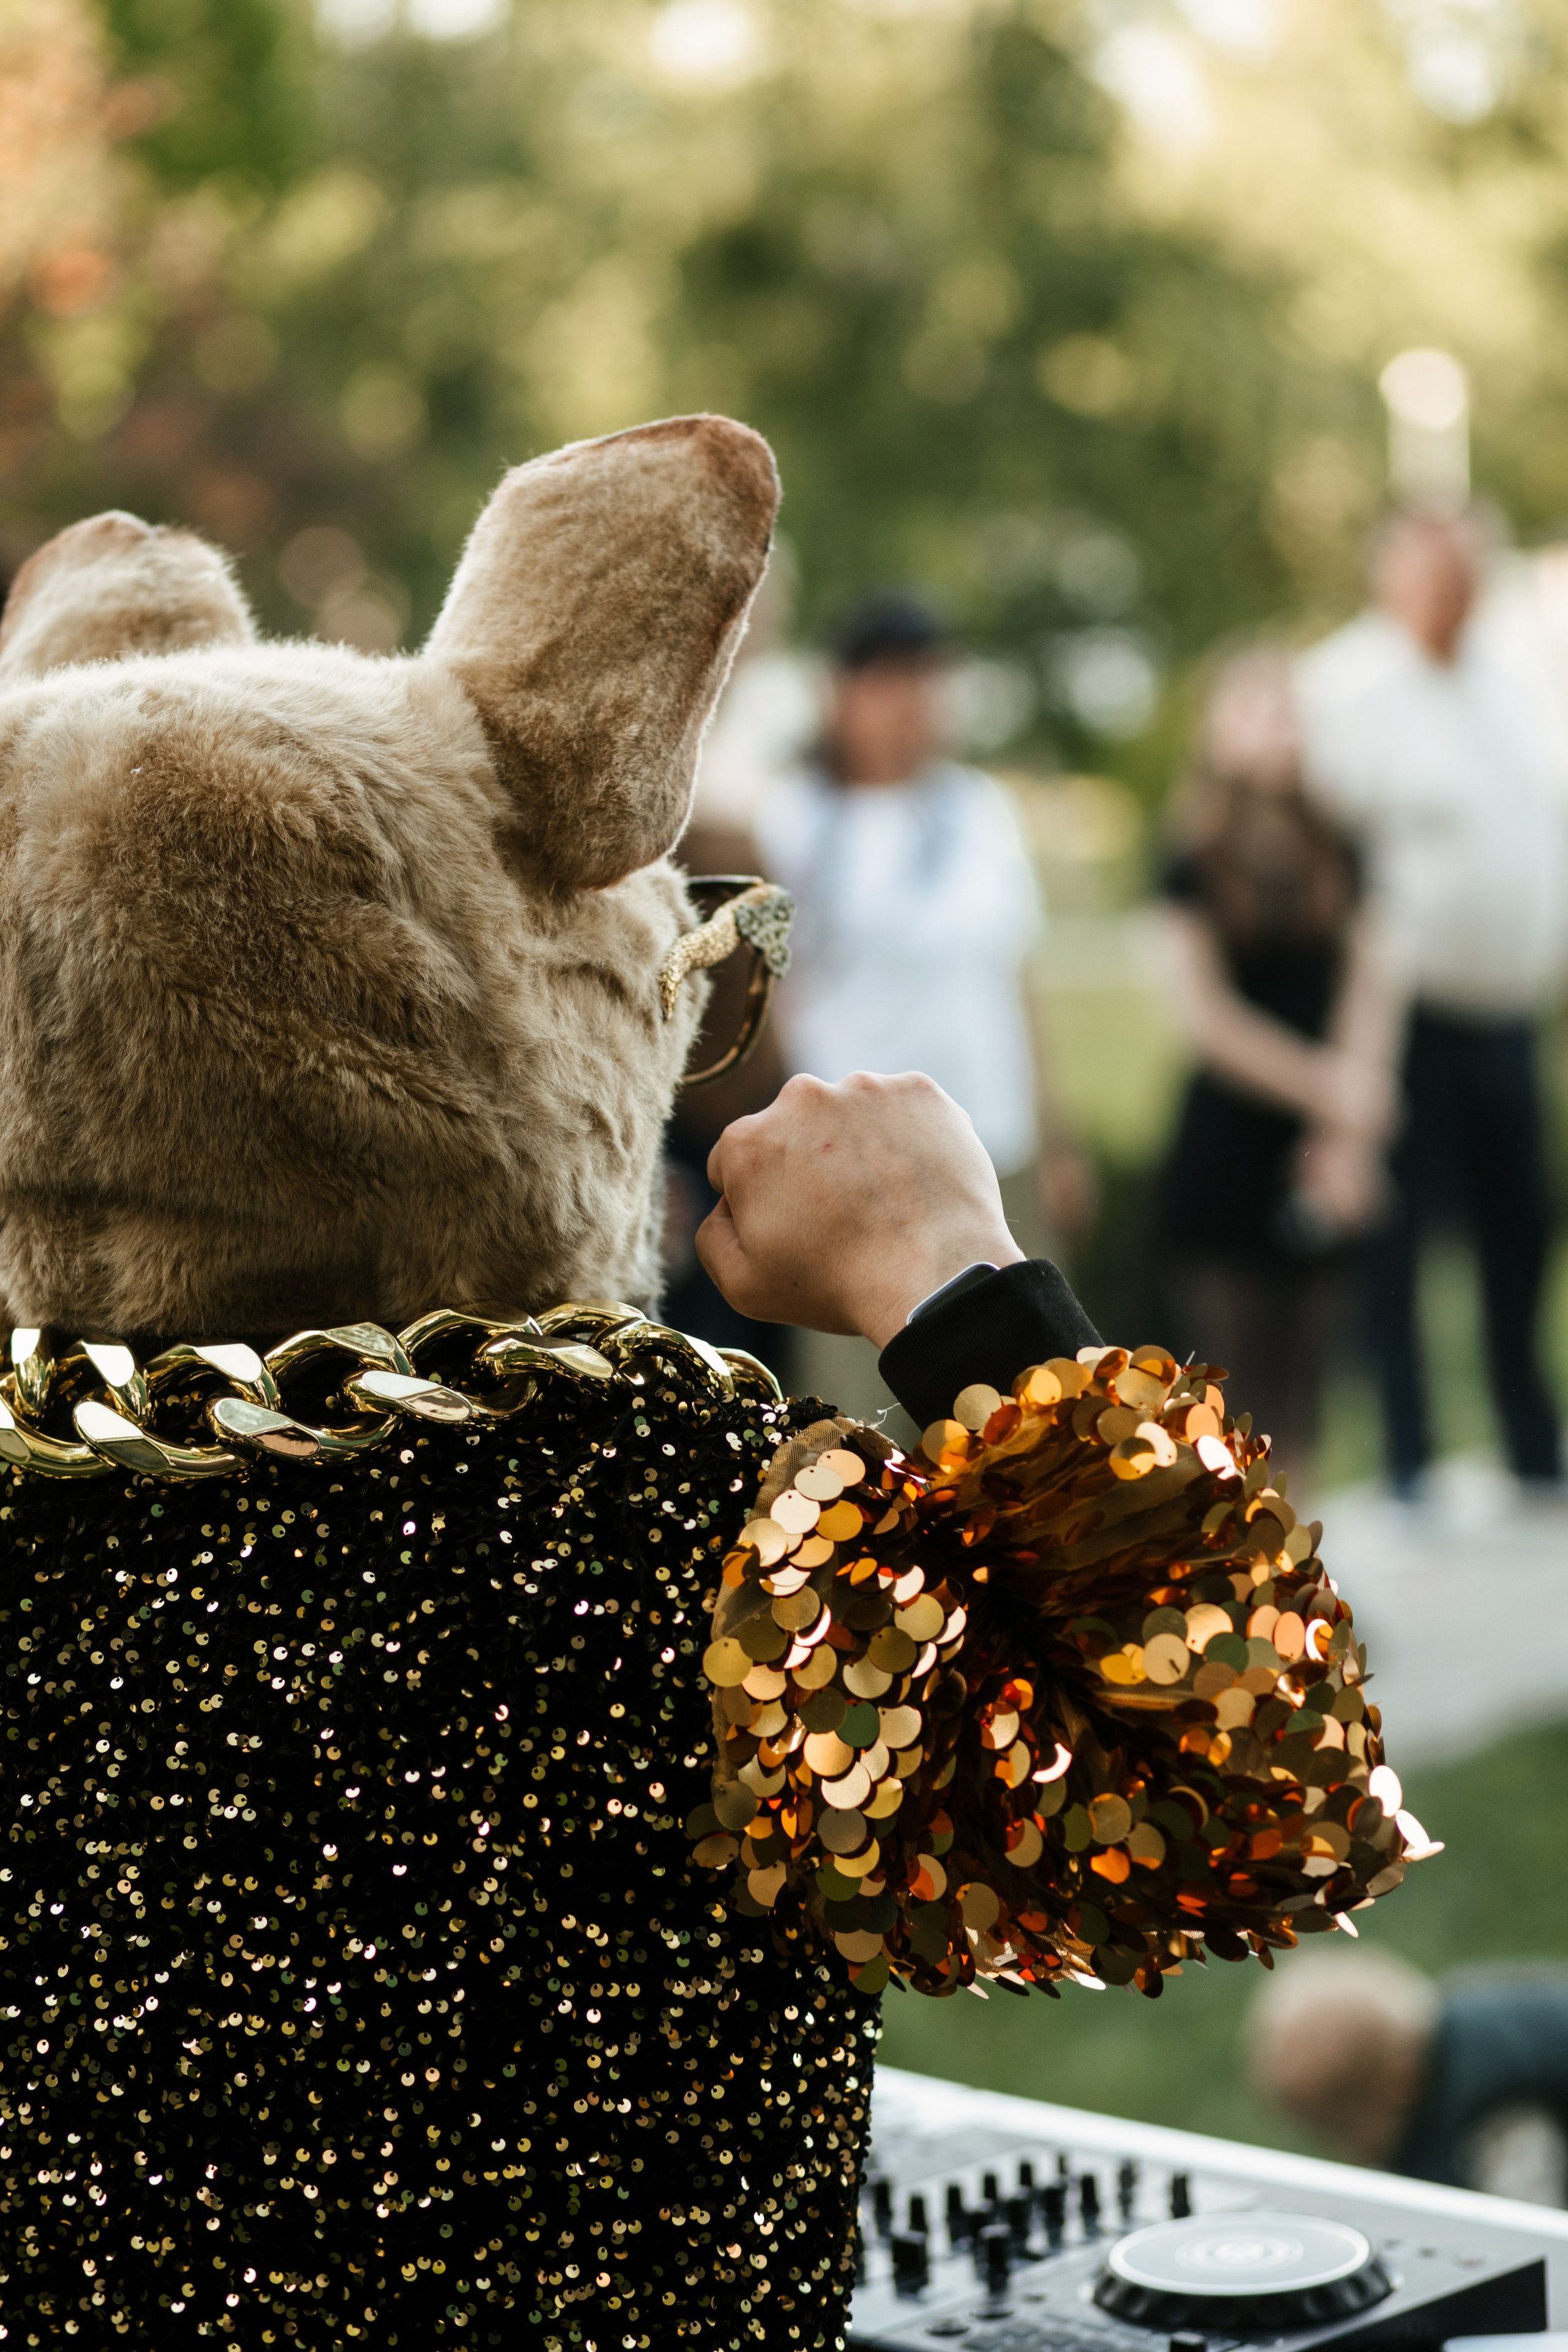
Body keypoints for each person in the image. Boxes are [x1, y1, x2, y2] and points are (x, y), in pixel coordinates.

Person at [754, 592, 1090, 1415]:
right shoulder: (793, 820)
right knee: (863, 1417)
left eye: (927, 680)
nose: (912, 704)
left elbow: (1015, 975)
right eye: (889, 681)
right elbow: (769, 999)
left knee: (1029, 1401)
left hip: (990, 1144)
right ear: (843, 693)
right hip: (857, 1170)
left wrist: (1056, 1134)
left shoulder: (980, 811)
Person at [1296, 511, 1568, 1498]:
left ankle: (1531, 1439)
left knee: (1520, 1228)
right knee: (1398, 1240)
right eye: (1437, 573)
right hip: (1406, 1013)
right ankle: (1407, 1454)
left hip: (1507, 1006)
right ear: (1396, 578)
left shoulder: (1518, 673)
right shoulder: (1347, 685)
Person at [1151, 646, 1399, 1488]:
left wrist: (1350, 1126)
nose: (1276, 730)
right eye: (1254, 711)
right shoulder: (1192, 859)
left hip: (1324, 1146)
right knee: (1229, 1389)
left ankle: (1300, 1584)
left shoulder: (1341, 847)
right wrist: (1329, 1088)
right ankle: (1231, 1590)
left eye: (1286, 710)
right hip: (1229, 1143)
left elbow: (1372, 982)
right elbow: (1208, 1020)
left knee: (1306, 1385)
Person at [1248, 1948, 1568, 2206]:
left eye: (1345, 2130)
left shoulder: (1501, 2115)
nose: (1347, 2153)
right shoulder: (1431, 2033)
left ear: (1401, 2083)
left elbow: (1529, 2231)